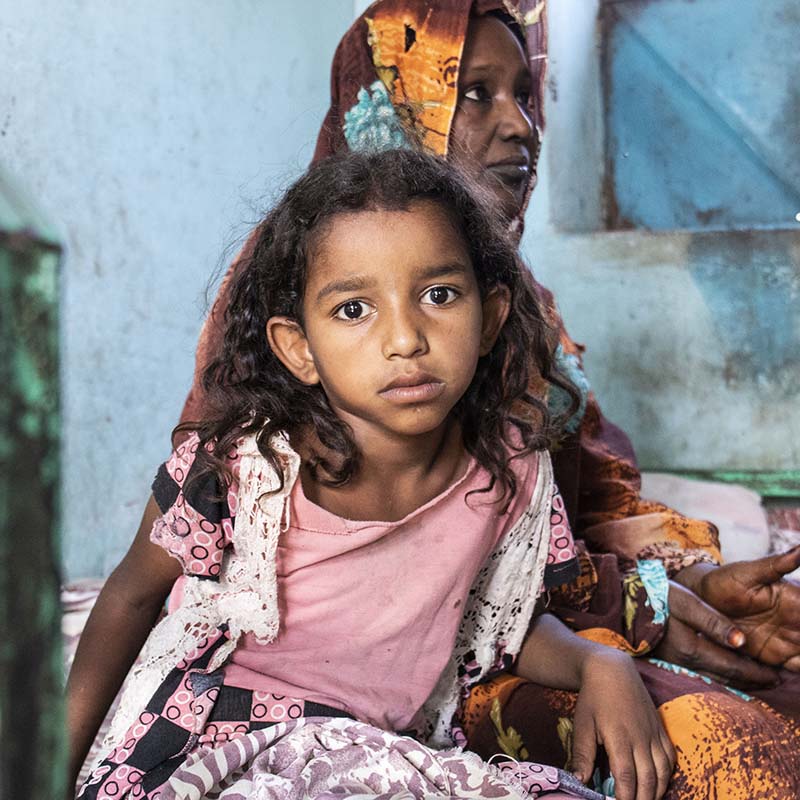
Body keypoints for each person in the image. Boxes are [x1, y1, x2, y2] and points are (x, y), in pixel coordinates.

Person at [172, 1, 800, 797]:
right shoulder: (288, 300)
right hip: (436, 672)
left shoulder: (509, 303)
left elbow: (562, 518)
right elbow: (210, 547)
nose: (521, 126)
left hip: (544, 621)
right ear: (397, 97)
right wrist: (646, 615)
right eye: (474, 94)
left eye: (525, 95)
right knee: (726, 754)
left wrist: (688, 590)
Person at [67, 149, 679, 800]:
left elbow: (495, 627)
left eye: (439, 295)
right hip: (215, 735)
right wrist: (46, 770)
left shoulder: (512, 469)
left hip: (376, 750)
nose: (406, 339)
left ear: (490, 316)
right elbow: (132, 595)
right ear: (300, 348)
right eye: (355, 309)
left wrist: (601, 662)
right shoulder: (245, 471)